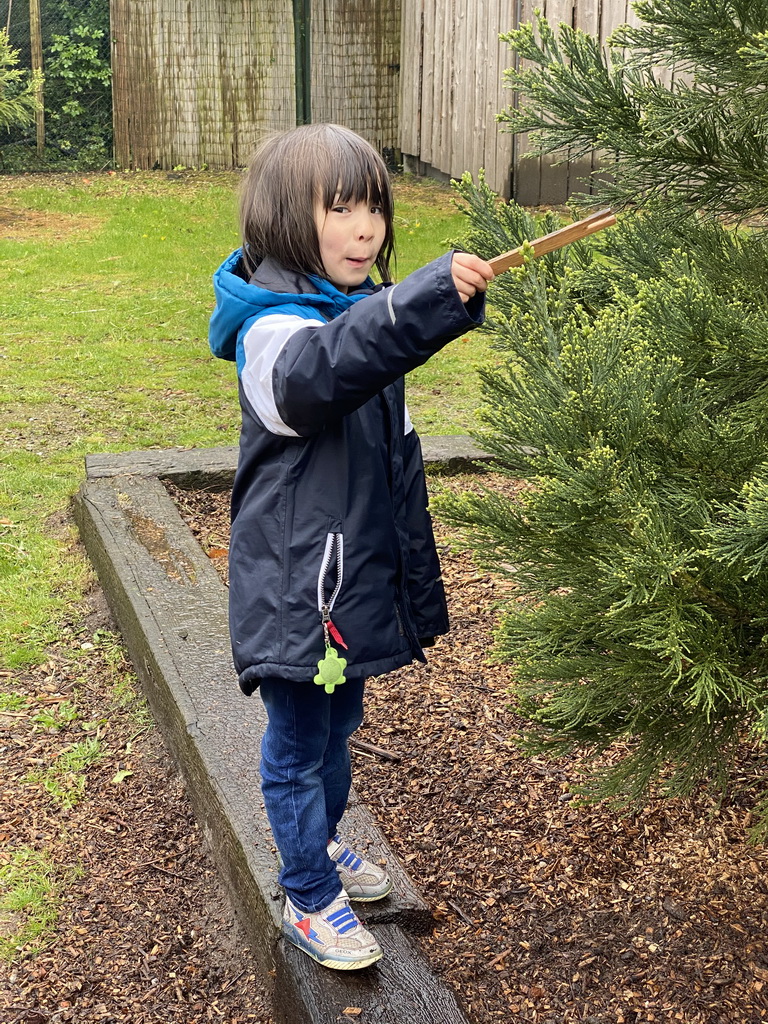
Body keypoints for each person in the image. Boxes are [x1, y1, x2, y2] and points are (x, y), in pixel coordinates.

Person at [208, 123, 494, 971]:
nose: (366, 226)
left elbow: (390, 448)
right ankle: (306, 892)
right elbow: (321, 376)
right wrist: (420, 302)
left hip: (347, 587)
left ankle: (321, 846)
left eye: (375, 205)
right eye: (341, 208)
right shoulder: (270, 330)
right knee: (297, 748)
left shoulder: (351, 310)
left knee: (339, 729)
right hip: (299, 590)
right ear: (287, 219)